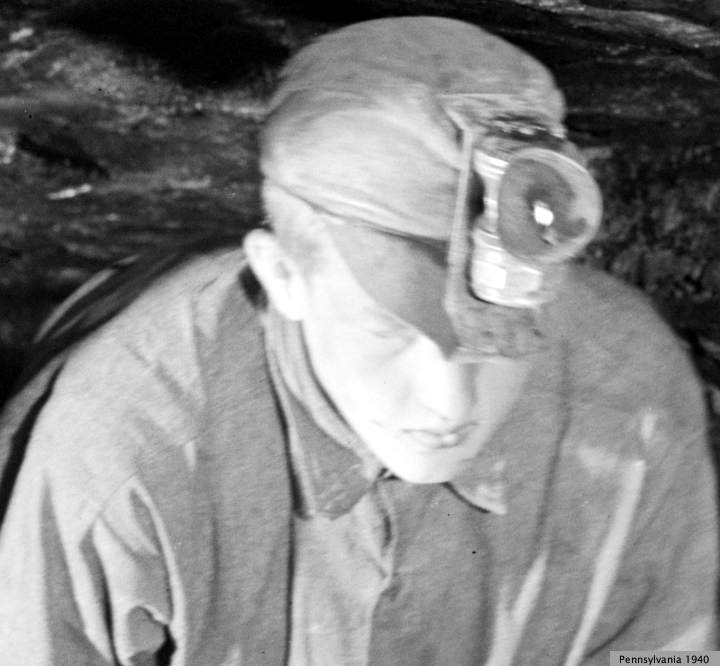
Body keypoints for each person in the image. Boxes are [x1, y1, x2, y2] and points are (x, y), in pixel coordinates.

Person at [0, 16, 717, 665]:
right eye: (390, 330)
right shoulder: (116, 453)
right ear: (284, 277)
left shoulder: (636, 394)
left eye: (497, 331)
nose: (450, 402)